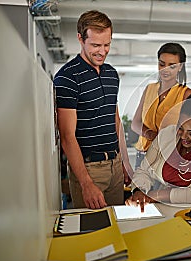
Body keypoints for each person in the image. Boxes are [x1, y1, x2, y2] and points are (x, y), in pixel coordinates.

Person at [54, 10, 132, 209]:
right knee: (94, 234)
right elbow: (67, 136)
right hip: (88, 169)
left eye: (107, 45)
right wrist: (86, 183)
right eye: (96, 45)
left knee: (116, 228)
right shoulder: (67, 78)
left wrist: (124, 161)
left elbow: (114, 120)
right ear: (80, 39)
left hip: (115, 166)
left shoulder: (111, 74)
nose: (102, 51)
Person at [126, 92, 191, 211]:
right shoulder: (166, 135)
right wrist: (139, 191)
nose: (183, 136)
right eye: (180, 127)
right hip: (164, 208)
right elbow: (144, 171)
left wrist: (156, 195)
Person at [131, 43, 191, 168]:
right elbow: (135, 123)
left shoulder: (187, 95)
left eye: (172, 66)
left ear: (180, 67)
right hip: (142, 157)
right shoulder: (149, 89)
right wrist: (150, 134)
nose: (165, 69)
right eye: (161, 64)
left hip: (168, 159)